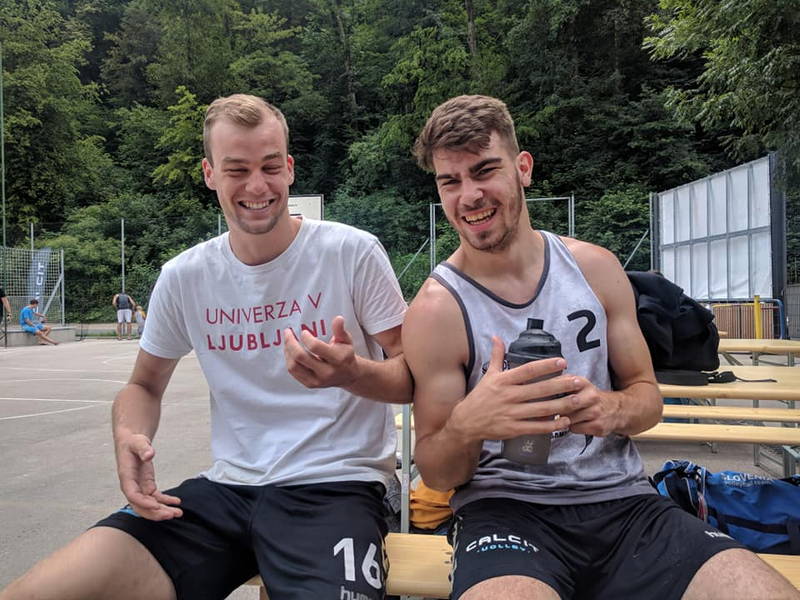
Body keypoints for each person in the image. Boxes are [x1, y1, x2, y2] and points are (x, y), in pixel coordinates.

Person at [1, 94, 411, 600]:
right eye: (237, 170)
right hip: (226, 490)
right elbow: (143, 385)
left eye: (269, 167)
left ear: (289, 169)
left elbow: (415, 374)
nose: (257, 186)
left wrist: (354, 374)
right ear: (209, 173)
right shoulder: (185, 276)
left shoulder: (351, 252)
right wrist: (129, 436)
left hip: (334, 486)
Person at [402, 95, 799, 600]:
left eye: (485, 171)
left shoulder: (593, 269)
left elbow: (647, 400)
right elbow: (438, 473)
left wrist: (608, 409)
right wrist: (469, 423)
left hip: (626, 504)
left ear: (523, 168)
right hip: (505, 513)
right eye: (450, 181)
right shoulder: (436, 309)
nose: (470, 195)